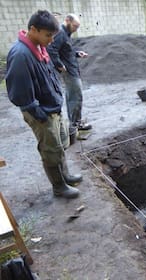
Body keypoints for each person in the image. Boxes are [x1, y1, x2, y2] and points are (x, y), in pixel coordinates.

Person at [5, 10, 81, 199]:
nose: (50, 40)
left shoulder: (39, 46)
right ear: (33, 29)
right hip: (42, 113)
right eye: (48, 35)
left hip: (53, 109)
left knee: (60, 145)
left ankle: (65, 176)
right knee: (50, 150)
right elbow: (19, 94)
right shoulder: (21, 55)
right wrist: (39, 113)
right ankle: (59, 187)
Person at [47, 13, 92, 132]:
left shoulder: (66, 34)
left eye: (77, 27)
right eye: (75, 26)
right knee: (76, 96)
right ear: (67, 21)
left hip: (72, 68)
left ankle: (74, 122)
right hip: (69, 71)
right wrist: (59, 65)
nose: (76, 29)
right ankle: (76, 123)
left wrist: (77, 53)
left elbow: (65, 51)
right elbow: (51, 49)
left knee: (72, 95)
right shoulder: (61, 33)